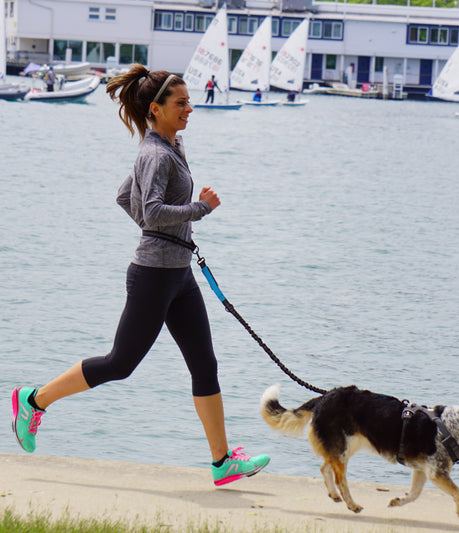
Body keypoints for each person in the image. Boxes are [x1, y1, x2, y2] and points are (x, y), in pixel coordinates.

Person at [11, 64, 270, 487]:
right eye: (181, 103)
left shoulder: (171, 146)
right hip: (152, 275)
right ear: (157, 108)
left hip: (178, 274)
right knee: (120, 363)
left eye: (189, 102)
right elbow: (150, 211)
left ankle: (222, 462)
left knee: (205, 365)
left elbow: (123, 196)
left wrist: (170, 235)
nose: (190, 109)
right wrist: (197, 211)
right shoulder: (154, 153)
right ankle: (33, 400)